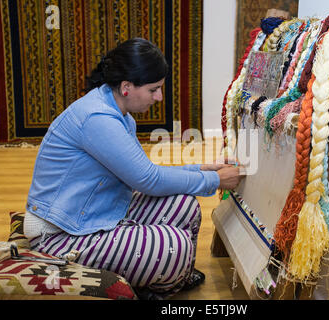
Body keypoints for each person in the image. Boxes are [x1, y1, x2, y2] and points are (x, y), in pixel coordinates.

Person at [23, 38, 244, 299]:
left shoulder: (114, 109)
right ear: (126, 86)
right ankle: (159, 287)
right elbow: (149, 180)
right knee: (177, 248)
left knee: (183, 205)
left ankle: (165, 279)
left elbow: (144, 172)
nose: (159, 97)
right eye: (154, 90)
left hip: (93, 212)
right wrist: (213, 180)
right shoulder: (98, 118)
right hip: (60, 234)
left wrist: (203, 168)